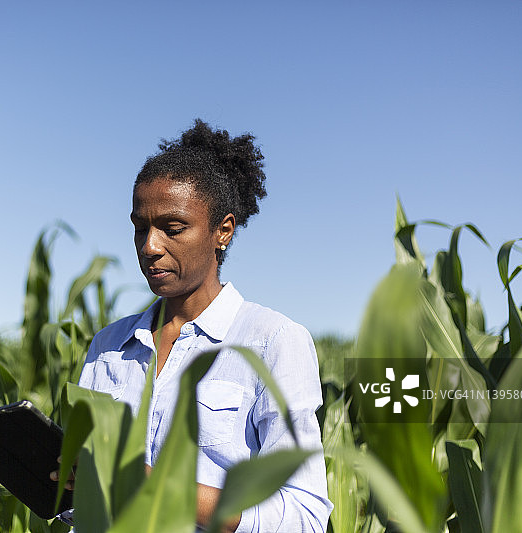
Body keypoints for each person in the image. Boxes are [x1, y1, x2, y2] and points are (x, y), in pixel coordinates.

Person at [71, 120, 332, 532]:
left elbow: (304, 517)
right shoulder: (109, 345)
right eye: (140, 228)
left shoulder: (273, 342)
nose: (149, 247)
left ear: (222, 231)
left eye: (172, 229)